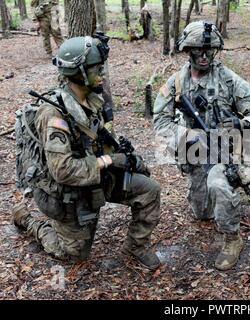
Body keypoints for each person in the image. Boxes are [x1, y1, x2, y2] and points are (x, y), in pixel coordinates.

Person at [13, 36, 162, 270]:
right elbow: (63, 171)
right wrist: (109, 160)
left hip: (94, 179)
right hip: (67, 192)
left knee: (149, 190)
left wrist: (125, 159)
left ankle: (136, 245)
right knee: (74, 255)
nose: (102, 73)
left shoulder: (92, 99)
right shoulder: (54, 115)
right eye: (97, 68)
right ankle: (29, 221)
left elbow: (96, 140)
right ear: (80, 72)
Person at [153, 21, 250, 271]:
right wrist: (187, 135)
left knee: (219, 185)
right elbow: (160, 122)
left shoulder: (228, 79)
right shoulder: (175, 83)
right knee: (202, 213)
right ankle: (223, 196)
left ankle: (232, 238)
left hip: (224, 152)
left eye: (209, 51)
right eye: (197, 51)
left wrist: (239, 123)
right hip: (194, 154)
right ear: (187, 51)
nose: (204, 57)